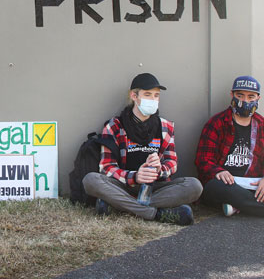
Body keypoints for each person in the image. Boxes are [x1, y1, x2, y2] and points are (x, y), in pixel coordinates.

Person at [83, 73, 203, 225]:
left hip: (155, 187)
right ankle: (157, 214)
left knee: (194, 186)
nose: (153, 99)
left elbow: (172, 163)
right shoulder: (114, 126)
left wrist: (159, 169)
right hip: (124, 186)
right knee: (91, 180)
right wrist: (135, 177)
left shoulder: (165, 126)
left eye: (156, 96)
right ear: (134, 96)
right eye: (147, 95)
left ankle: (119, 205)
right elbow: (106, 167)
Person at [195, 75, 264, 219]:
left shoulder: (263, 126)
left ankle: (239, 206)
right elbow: (203, 160)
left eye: (251, 97)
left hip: (254, 183)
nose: (245, 101)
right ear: (232, 95)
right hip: (226, 184)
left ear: (258, 98)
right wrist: (219, 171)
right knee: (215, 188)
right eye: (240, 95)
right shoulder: (217, 123)